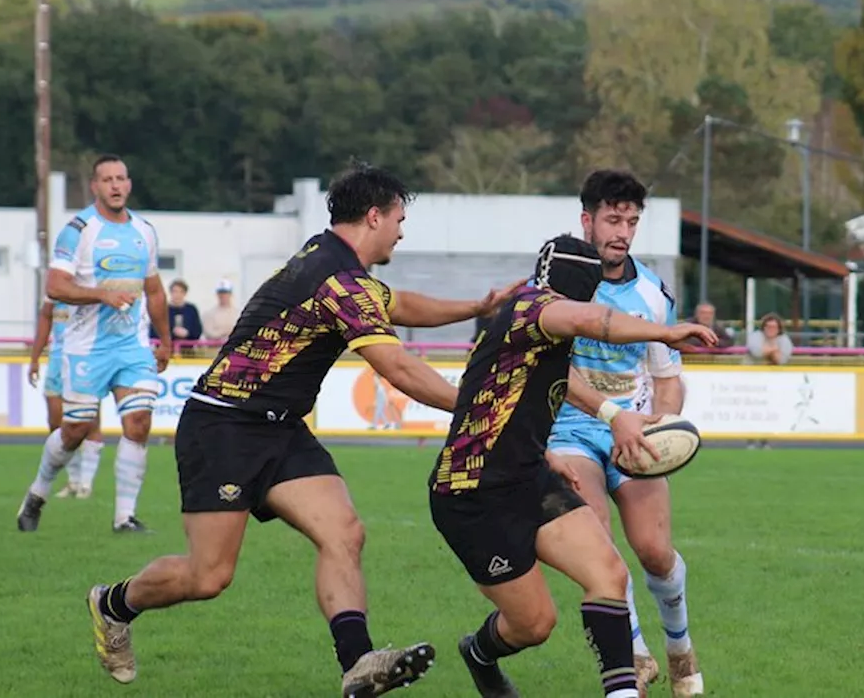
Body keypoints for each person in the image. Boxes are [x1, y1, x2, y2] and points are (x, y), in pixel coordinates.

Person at [83, 163, 540, 697]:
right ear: (375, 216)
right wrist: (481, 411)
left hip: (281, 430)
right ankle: (113, 604)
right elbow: (399, 370)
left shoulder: (335, 262)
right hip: (224, 426)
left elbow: (397, 303)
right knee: (209, 576)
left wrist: (477, 306)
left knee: (344, 532)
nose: (401, 230)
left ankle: (358, 663)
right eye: (398, 218)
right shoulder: (337, 280)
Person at [432, 234, 717, 698]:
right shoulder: (533, 307)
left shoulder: (546, 329)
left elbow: (562, 379)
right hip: (473, 491)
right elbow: (590, 319)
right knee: (534, 623)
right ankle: (479, 654)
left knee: (608, 572)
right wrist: (663, 333)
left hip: (530, 475)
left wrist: (613, 414)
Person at [547, 170, 705, 697]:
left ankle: (680, 648)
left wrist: (658, 426)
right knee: (600, 548)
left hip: (634, 435)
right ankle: (634, 653)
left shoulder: (653, 295)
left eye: (632, 221)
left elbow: (667, 380)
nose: (622, 231)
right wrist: (612, 416)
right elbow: (550, 370)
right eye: (613, 219)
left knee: (656, 552)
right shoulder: (563, 284)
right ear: (587, 220)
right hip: (571, 431)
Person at [17, 154, 170, 534]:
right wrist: (101, 295)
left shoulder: (145, 231)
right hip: (86, 348)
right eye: (107, 180)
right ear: (95, 186)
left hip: (132, 346)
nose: (115, 186)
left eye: (121, 178)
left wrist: (165, 341)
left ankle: (124, 517)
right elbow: (55, 287)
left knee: (138, 422)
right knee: (75, 431)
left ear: (129, 184)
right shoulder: (79, 230)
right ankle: (37, 493)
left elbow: (154, 289)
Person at [27, 297, 105, 499]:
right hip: (57, 361)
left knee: (90, 422)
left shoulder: (93, 289)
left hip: (86, 362)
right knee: (56, 422)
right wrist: (35, 359)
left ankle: (86, 484)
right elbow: (44, 321)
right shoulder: (55, 292)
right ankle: (73, 480)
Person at [202, 279, 239, 344]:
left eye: (225, 293)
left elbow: (240, 332)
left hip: (233, 349)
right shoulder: (209, 314)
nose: (223, 296)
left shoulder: (238, 313)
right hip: (215, 350)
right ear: (217, 294)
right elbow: (209, 333)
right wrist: (226, 331)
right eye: (221, 293)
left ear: (230, 294)